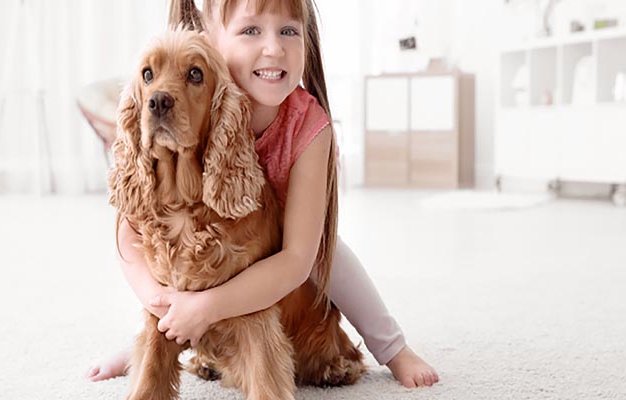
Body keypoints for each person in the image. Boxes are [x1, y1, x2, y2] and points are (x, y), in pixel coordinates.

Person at [86, 0, 439, 389]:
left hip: (291, 238)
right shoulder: (199, 81)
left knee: (329, 253)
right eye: (251, 30)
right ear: (213, 39)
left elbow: (295, 261)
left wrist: (205, 307)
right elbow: (129, 229)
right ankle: (155, 341)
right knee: (170, 242)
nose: (272, 48)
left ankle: (392, 347)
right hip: (215, 235)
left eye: (288, 31)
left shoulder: (307, 124)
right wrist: (160, 304)